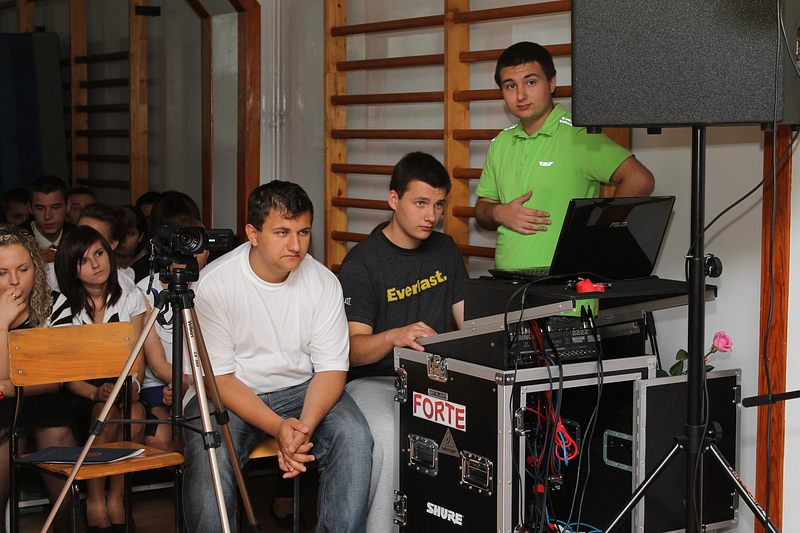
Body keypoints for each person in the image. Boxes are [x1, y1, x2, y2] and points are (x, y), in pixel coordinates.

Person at [184, 180, 372, 533]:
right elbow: (217, 378)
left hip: (301, 389)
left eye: (303, 232)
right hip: (232, 391)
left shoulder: (323, 282)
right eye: (282, 232)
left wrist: (302, 430)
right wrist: (278, 427)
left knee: (354, 436)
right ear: (252, 234)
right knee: (211, 451)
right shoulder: (215, 284)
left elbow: (331, 369)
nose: (296, 245)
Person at [337, 152, 468, 533]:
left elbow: (469, 324)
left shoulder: (446, 249)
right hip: (374, 381)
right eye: (421, 203)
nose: (431, 215)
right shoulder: (362, 263)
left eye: (438, 205)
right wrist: (395, 336)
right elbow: (352, 351)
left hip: (433, 379)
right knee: (392, 432)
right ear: (394, 200)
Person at [474, 41, 655, 270]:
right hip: (508, 282)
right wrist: (499, 212)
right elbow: (482, 209)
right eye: (510, 86)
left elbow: (640, 179)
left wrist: (599, 232)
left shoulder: (578, 136)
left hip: (564, 283)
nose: (521, 95)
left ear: (551, 83)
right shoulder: (500, 142)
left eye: (531, 82)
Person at [50, 226, 156, 532]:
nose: (96, 264)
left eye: (99, 253)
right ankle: (95, 500)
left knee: (135, 413)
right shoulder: (62, 305)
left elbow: (137, 355)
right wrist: (95, 393)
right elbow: (67, 374)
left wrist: (133, 386)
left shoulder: (129, 296)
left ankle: (116, 499)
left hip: (123, 384)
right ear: (71, 268)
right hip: (80, 392)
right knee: (105, 413)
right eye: (84, 260)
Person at [0, 225, 77, 533]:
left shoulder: (55, 304)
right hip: (4, 410)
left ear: (36, 270)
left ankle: (65, 526)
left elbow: (53, 380)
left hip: (45, 401)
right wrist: (2, 323)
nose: (14, 281)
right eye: (2, 272)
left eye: (23, 269)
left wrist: (8, 387)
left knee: (56, 427)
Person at [136, 216, 208, 453]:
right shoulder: (146, 290)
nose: (188, 256)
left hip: (206, 383)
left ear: (207, 252)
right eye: (181, 246)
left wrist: (192, 385)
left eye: (195, 246)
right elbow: (157, 364)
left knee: (209, 429)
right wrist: (182, 383)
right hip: (161, 384)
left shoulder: (215, 286)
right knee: (160, 437)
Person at [26, 175, 75, 264]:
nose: (47, 216)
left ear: (68, 205)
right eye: (40, 208)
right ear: (30, 208)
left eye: (55, 207)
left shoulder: (78, 237)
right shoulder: (15, 241)